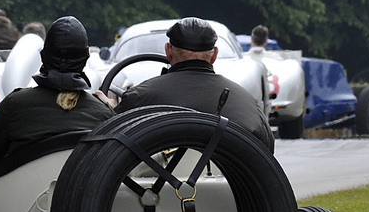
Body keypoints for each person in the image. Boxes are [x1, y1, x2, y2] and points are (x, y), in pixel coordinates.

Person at [0, 16, 114, 167]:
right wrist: (113, 112)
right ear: (85, 59)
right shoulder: (104, 115)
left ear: (43, 56)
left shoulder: (15, 105)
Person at [116, 16, 275, 152]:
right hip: (232, 186)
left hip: (153, 187)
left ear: (168, 51)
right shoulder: (246, 102)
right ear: (214, 56)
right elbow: (268, 150)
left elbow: (110, 145)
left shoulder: (138, 98)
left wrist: (108, 109)